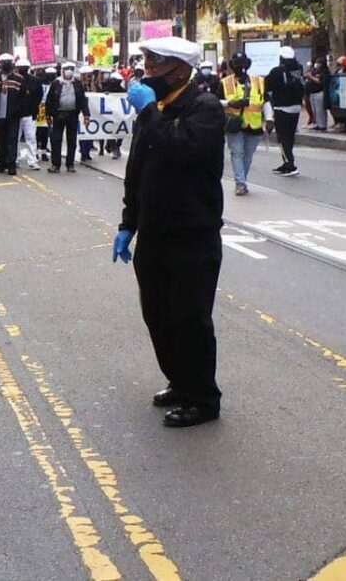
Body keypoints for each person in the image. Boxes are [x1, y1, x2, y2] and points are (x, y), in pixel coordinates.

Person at [113, 36, 225, 428]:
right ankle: (180, 381)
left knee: (190, 319)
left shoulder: (204, 107)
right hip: (155, 235)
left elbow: (181, 149)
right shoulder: (157, 110)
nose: (146, 72)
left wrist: (147, 114)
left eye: (154, 64)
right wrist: (129, 223)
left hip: (192, 235)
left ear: (179, 69)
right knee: (157, 315)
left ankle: (203, 398)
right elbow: (137, 171)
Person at [221, 53, 265, 196]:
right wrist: (230, 103)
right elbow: (215, 101)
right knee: (237, 153)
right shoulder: (225, 82)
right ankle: (240, 183)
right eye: (237, 64)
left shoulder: (259, 81)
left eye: (243, 64)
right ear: (232, 66)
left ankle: (242, 180)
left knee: (248, 155)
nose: (240, 67)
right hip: (234, 124)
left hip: (254, 125)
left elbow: (266, 101)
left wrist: (270, 119)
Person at [0, 54, 29, 175]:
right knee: (0, 141)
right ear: (0, 64)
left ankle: (11, 165)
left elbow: (24, 98)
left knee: (12, 140)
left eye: (8, 62)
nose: (6, 64)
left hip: (13, 116)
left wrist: (18, 111)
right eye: (4, 62)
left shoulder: (19, 79)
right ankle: (2, 162)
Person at [265, 46, 304, 178]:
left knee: (282, 138)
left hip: (282, 108)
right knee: (290, 136)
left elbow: (267, 85)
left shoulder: (276, 71)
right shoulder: (298, 68)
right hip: (296, 107)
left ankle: (290, 164)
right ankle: (286, 162)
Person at [45, 63, 85, 173]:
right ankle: (55, 164)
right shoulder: (56, 83)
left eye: (71, 69)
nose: (69, 71)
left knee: (72, 140)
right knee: (56, 139)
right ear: (62, 70)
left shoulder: (77, 83)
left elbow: (82, 99)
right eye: (67, 69)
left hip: (72, 114)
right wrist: (48, 115)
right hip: (58, 115)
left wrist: (86, 114)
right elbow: (49, 100)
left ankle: (70, 164)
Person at [306, 56, 330, 131]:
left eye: (319, 63)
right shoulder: (315, 70)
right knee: (314, 110)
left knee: (320, 110)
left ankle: (322, 125)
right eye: (316, 62)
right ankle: (316, 124)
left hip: (319, 92)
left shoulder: (325, 72)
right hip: (312, 93)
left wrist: (311, 77)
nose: (317, 64)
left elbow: (320, 82)